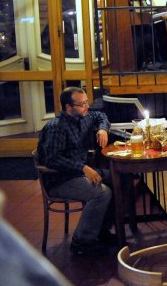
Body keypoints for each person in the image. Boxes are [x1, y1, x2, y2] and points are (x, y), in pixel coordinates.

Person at [37, 86, 115, 256]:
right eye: (82, 104)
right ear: (68, 107)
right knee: (102, 193)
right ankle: (82, 242)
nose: (87, 106)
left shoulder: (84, 117)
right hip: (60, 179)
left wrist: (103, 128)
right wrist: (82, 167)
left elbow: (100, 116)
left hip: (78, 173)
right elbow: (52, 159)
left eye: (87, 102)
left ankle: (101, 231)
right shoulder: (57, 127)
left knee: (117, 179)